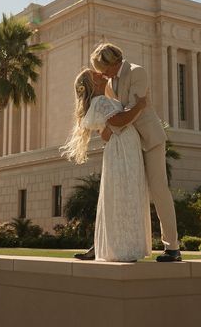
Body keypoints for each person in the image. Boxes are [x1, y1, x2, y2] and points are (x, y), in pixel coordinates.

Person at [85, 42, 181, 263]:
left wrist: (109, 130)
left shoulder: (137, 72)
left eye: (103, 68)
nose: (103, 73)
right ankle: (102, 244)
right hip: (127, 144)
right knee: (116, 192)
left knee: (159, 191)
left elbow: (132, 110)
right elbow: (114, 110)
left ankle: (172, 248)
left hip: (149, 140)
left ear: (114, 61)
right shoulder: (110, 82)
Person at [62, 68, 152, 262]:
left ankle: (113, 246)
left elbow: (109, 129)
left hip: (126, 147)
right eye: (94, 74)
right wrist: (140, 106)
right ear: (92, 84)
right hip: (121, 151)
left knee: (125, 194)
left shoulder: (106, 99)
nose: (99, 73)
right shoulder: (100, 101)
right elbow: (120, 121)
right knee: (123, 194)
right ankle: (120, 248)